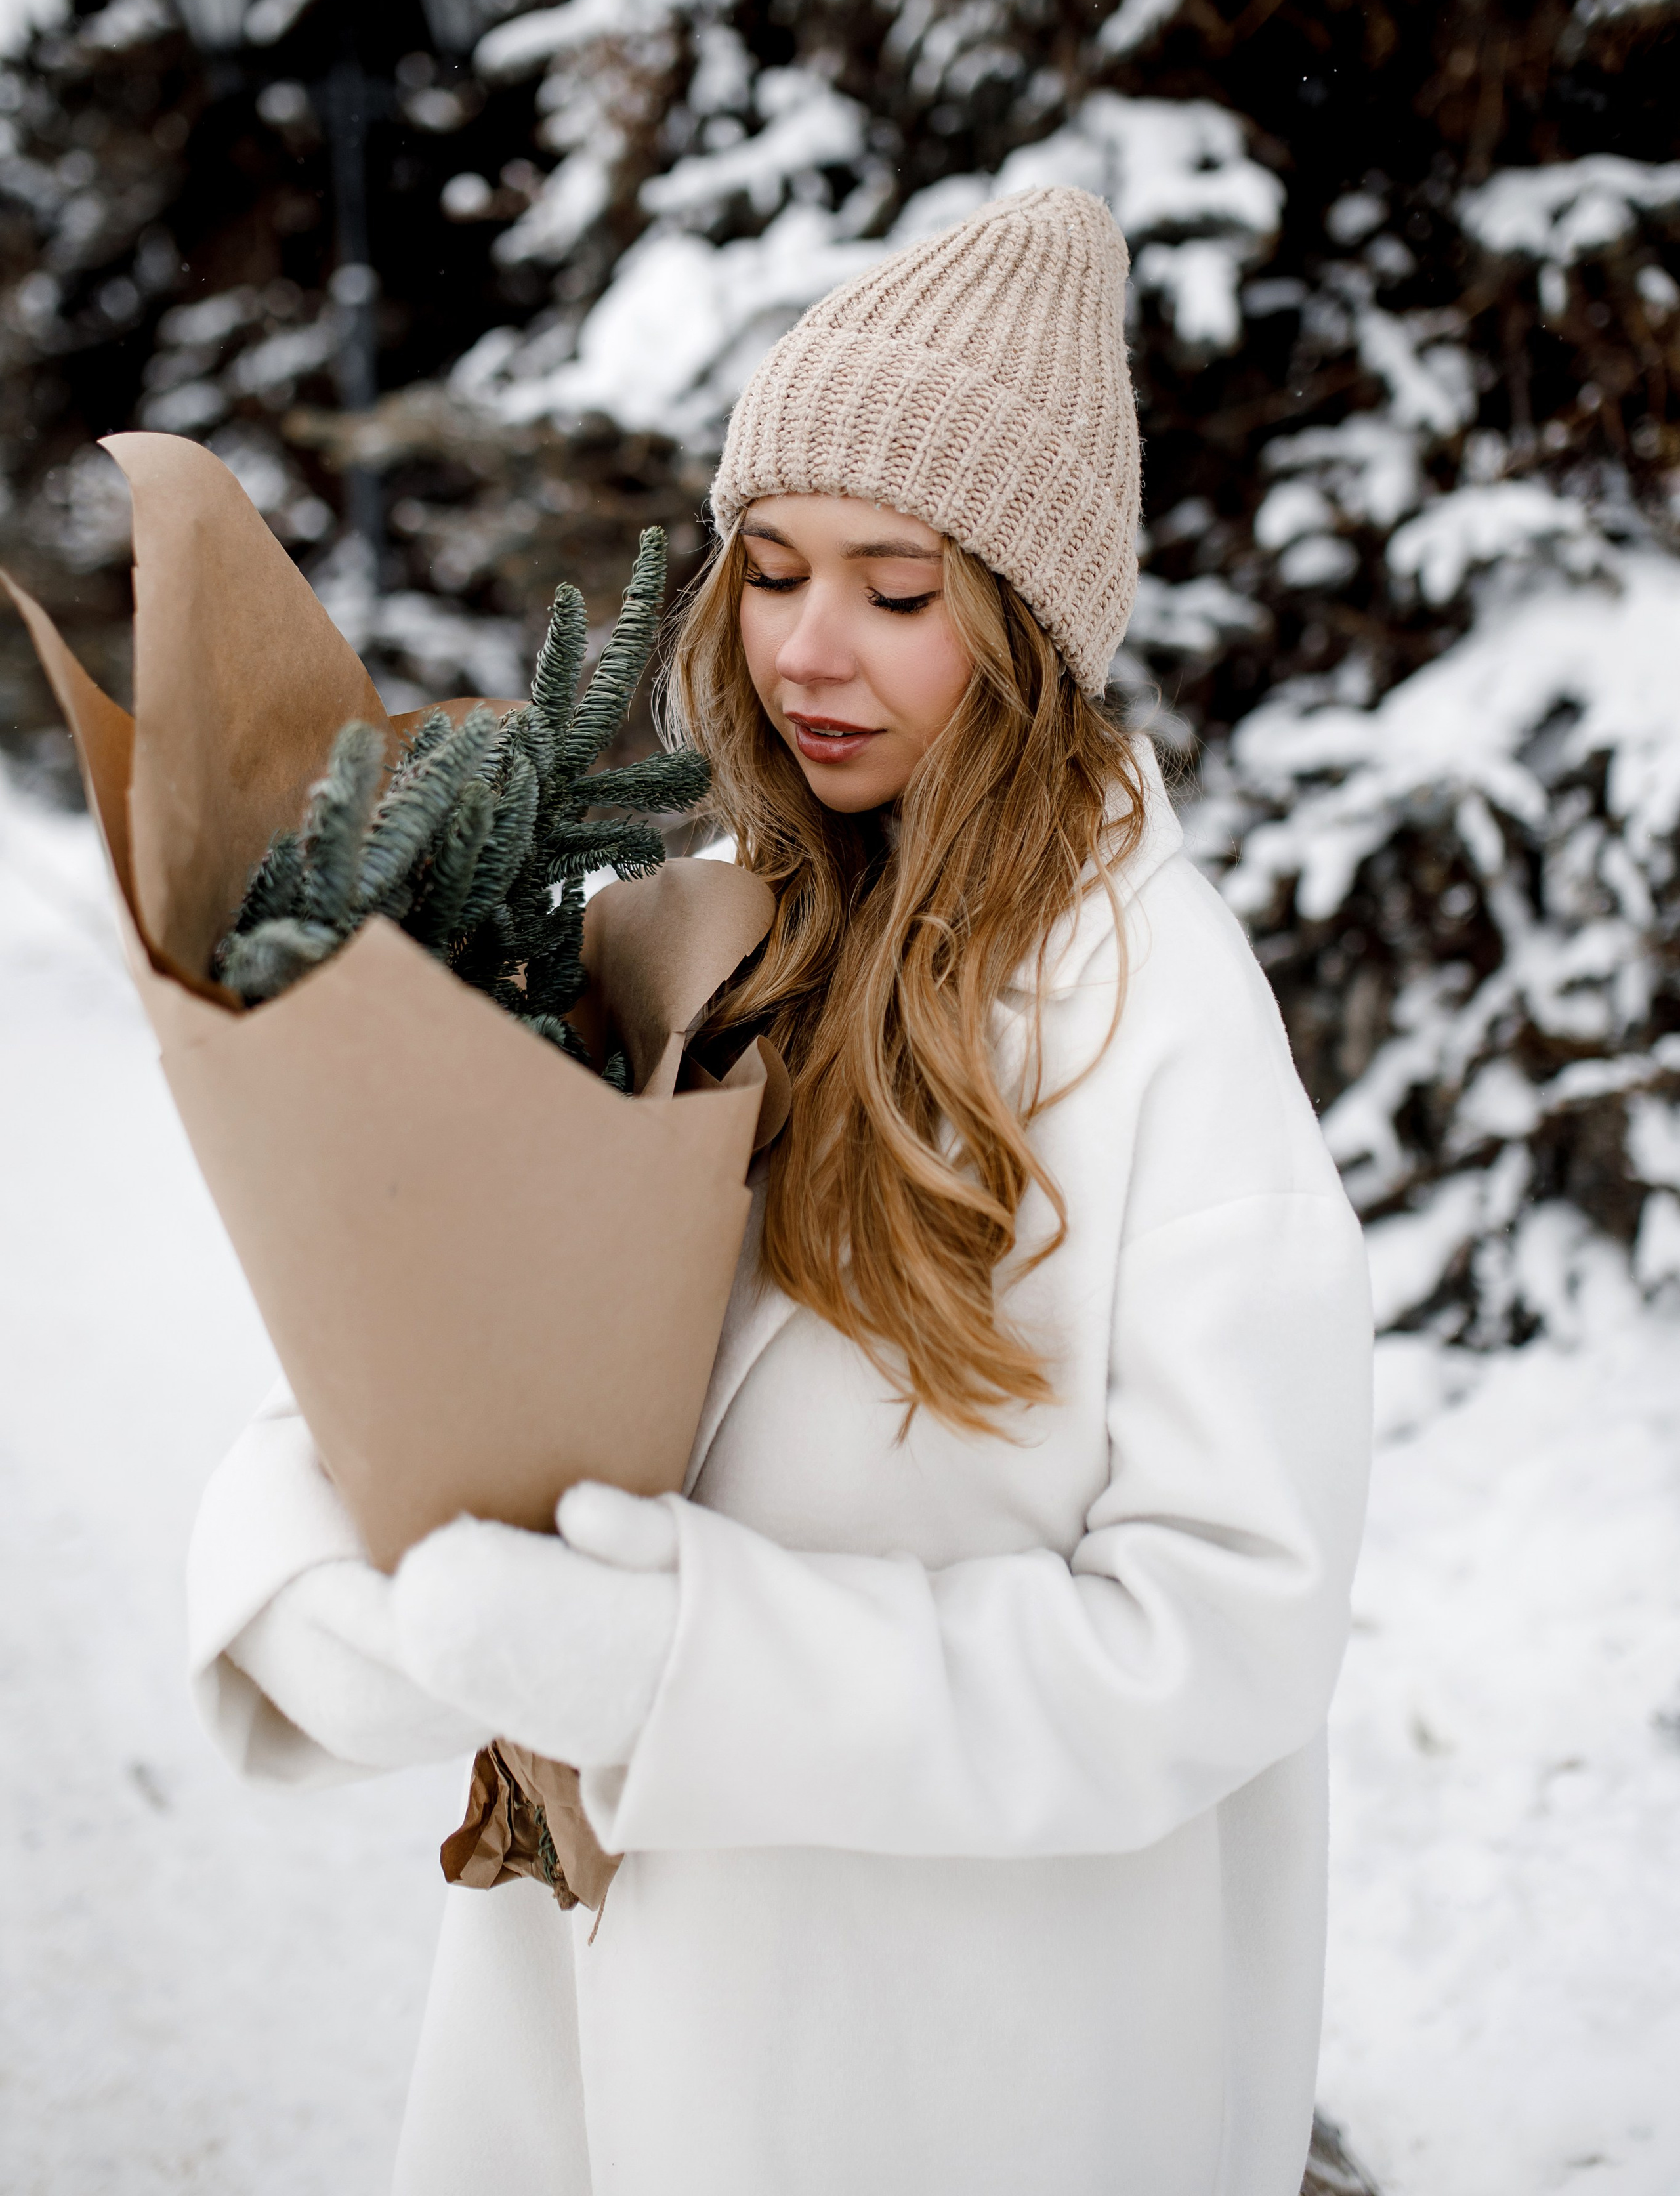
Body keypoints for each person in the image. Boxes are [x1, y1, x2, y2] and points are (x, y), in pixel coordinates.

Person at [187, 186, 1373, 2196]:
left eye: (900, 592)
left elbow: (1223, 1629)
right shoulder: (696, 925)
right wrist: (340, 1595)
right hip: (611, 2039)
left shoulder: (1154, 1016)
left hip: (968, 2075)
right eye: (775, 569)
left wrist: (672, 1667)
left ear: (1027, 620)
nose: (810, 651)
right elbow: (439, 1347)